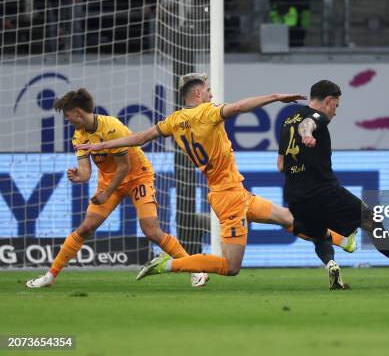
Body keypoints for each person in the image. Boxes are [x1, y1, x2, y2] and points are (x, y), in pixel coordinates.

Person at [76, 74, 354, 280]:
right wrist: (275, 97)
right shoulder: (207, 113)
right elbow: (241, 107)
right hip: (228, 197)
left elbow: (137, 137)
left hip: (235, 191)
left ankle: (343, 239)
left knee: (286, 218)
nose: (211, 94)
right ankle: (167, 264)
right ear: (197, 94)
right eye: (208, 90)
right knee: (230, 267)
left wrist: (100, 146)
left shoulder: (173, 121)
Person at [26, 89, 208, 288]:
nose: (68, 122)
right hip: (109, 183)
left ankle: (196, 270)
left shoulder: (111, 127)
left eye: (68, 117)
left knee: (151, 230)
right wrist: (80, 176)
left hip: (138, 177)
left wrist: (106, 194)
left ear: (78, 112)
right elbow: (86, 171)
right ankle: (50, 276)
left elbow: (124, 167)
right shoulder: (79, 136)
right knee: (85, 228)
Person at [278, 80, 389, 289]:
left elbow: (280, 165)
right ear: (328, 101)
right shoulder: (316, 117)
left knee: (320, 235)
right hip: (323, 190)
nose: (335, 112)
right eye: (336, 106)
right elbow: (307, 125)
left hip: (295, 197)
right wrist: (307, 135)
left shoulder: (286, 121)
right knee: (370, 220)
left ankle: (331, 264)